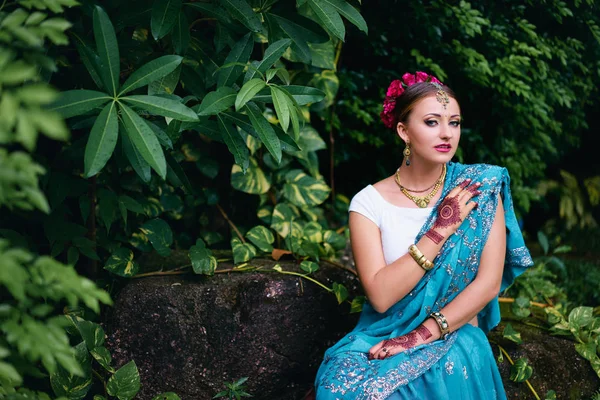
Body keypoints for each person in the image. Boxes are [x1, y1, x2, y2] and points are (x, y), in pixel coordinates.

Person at [314, 72, 534, 399]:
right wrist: (438, 231)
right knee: (337, 386)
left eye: (455, 123)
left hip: (452, 336)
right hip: (378, 335)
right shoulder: (368, 203)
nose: (447, 133)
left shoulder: (478, 188)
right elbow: (381, 295)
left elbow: (488, 284)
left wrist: (418, 336)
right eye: (432, 122)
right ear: (403, 131)